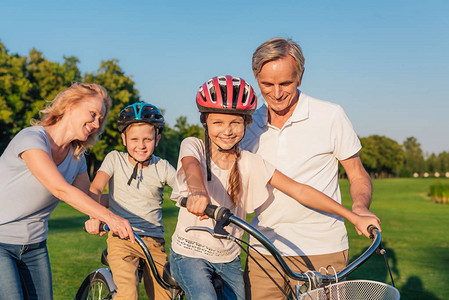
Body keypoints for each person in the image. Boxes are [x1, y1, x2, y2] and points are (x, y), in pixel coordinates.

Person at [169, 75, 380, 300]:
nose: (227, 131)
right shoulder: (194, 146)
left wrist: (353, 216)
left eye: (235, 123)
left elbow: (299, 190)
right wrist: (198, 192)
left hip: (228, 258)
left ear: (247, 124)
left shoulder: (251, 162)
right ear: (205, 122)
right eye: (218, 122)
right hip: (189, 253)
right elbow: (191, 168)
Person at [240, 37, 380, 299]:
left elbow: (357, 173)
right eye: (267, 84)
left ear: (300, 76)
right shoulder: (247, 126)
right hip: (264, 250)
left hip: (323, 248)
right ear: (256, 78)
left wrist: (359, 206)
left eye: (286, 83)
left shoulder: (330, 115)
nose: (277, 93)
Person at [0, 82, 135, 300]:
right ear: (71, 105)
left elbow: (89, 199)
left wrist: (135, 199)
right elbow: (60, 189)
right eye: (92, 114)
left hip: (35, 248)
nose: (96, 123)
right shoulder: (32, 139)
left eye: (100, 119)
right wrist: (111, 218)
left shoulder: (77, 157)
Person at [84, 103, 176, 300]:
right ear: (124, 139)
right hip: (121, 239)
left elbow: (185, 191)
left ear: (157, 139)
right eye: (134, 139)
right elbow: (96, 188)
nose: (141, 145)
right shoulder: (114, 159)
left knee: (166, 295)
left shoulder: (162, 167)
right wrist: (94, 216)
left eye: (147, 139)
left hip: (153, 241)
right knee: (127, 293)